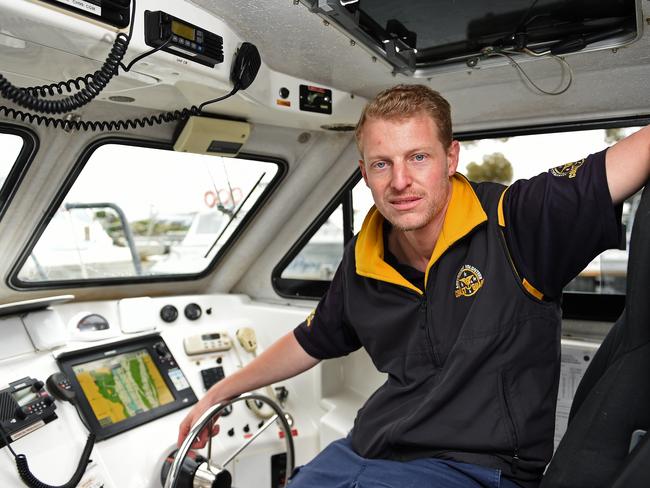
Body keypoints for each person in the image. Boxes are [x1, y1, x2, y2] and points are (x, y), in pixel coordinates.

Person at [178, 84, 650, 487]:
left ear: (450, 158)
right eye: (382, 164)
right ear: (364, 174)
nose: (400, 181)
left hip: (476, 470)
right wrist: (217, 395)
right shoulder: (364, 256)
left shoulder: (515, 221)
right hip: (363, 452)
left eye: (418, 157)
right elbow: (311, 339)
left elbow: (626, 161)